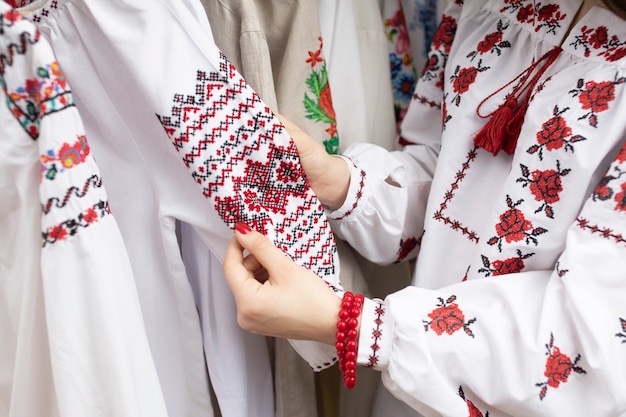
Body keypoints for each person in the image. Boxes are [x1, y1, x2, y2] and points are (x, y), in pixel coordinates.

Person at [223, 0, 626, 416]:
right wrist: (337, 181)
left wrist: (356, 324)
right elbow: (450, 168)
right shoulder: (491, 7)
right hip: (412, 389)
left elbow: (593, 346)